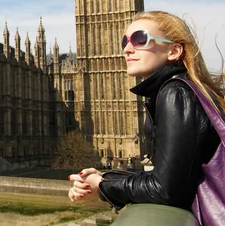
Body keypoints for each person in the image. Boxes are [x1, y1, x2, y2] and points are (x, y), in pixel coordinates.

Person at [68, 11, 225, 222]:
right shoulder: (184, 88)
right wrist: (104, 177)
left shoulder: (175, 93)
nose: (127, 48)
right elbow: (172, 176)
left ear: (174, 50)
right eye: (125, 40)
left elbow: (165, 190)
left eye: (140, 39)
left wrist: (103, 186)